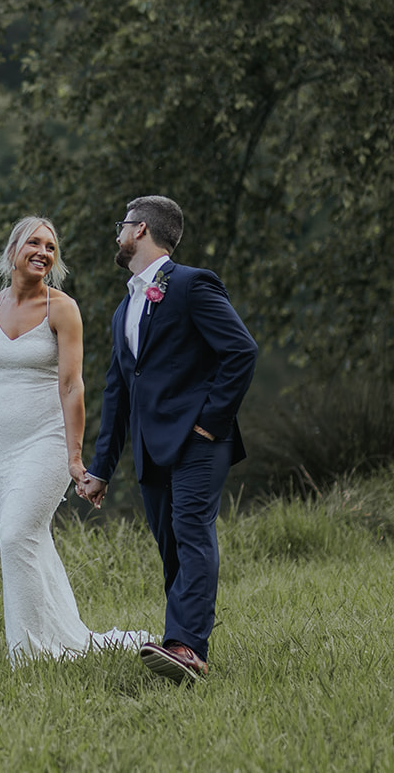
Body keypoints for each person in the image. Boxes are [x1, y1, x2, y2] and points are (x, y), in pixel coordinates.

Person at [0, 216, 150, 661]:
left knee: (14, 535)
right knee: (30, 539)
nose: (43, 252)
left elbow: (72, 387)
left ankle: (31, 654)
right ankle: (66, 638)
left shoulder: (62, 309)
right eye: (33, 242)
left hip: (46, 442)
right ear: (12, 251)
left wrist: (74, 458)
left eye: (50, 247)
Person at [77, 196, 258, 684]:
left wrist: (211, 423)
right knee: (171, 544)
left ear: (140, 231)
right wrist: (101, 469)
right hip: (150, 447)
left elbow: (241, 350)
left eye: (122, 226)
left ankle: (186, 649)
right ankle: (183, 643)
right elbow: (118, 394)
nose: (117, 235)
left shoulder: (191, 284)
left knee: (193, 533)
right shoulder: (125, 308)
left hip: (200, 441)